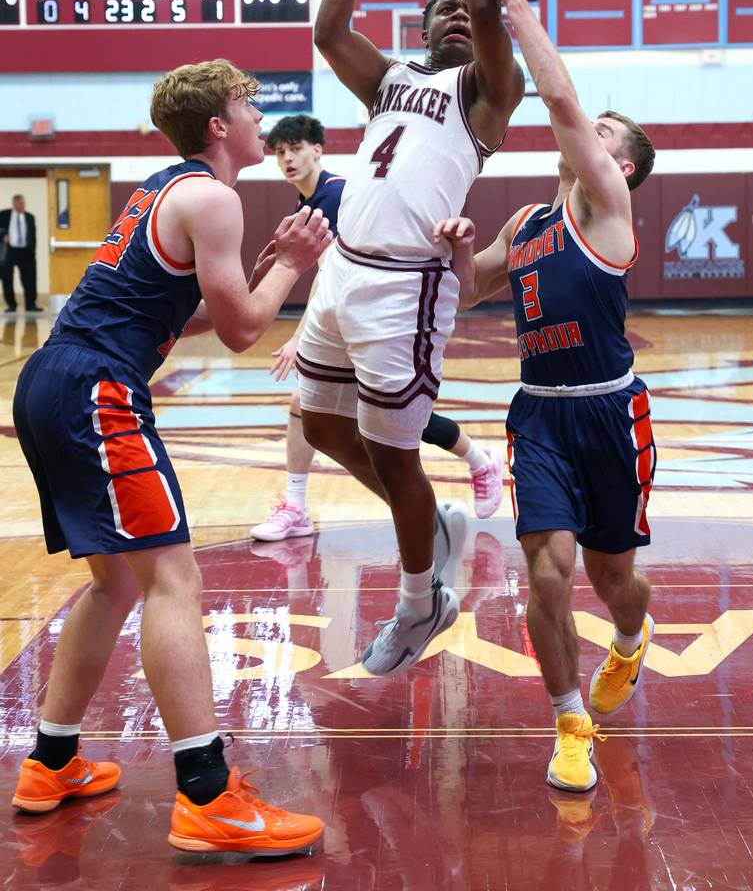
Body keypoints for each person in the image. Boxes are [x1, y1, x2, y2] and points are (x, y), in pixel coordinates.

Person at [10, 59, 329, 856]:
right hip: (94, 389)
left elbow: (170, 311)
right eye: (250, 104)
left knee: (118, 580)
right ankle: (207, 794)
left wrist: (257, 278)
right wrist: (292, 261)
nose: (261, 117)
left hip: (52, 379)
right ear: (220, 125)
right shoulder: (215, 198)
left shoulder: (161, 189)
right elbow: (244, 332)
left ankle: (50, 763)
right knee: (172, 579)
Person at [297, 0, 524, 677]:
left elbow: (486, 5)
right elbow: (327, 29)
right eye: (443, 9)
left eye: (465, 8)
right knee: (319, 423)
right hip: (340, 273)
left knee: (395, 452)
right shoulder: (391, 79)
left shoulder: (490, 96)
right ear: (421, 26)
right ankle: (428, 526)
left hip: (404, 286)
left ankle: (419, 598)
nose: (458, 13)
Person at [434, 0, 656, 793]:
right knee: (549, 571)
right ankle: (569, 720)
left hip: (610, 408)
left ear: (623, 164)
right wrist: (456, 249)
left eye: (604, 133)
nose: (582, 131)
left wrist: (518, 11)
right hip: (541, 412)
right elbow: (473, 290)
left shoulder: (609, 205)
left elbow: (562, 103)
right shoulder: (527, 222)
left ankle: (633, 640)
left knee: (613, 579)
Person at [250, 112, 504, 543]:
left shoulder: (333, 195)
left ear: (317, 150)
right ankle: (476, 463)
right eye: (279, 152)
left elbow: (334, 274)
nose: (287, 158)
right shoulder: (308, 201)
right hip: (352, 313)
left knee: (367, 413)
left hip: (386, 309)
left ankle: (304, 506)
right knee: (356, 415)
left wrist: (298, 336)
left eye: (295, 149)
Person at [1, 194, 42, 313]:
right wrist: (3, 235)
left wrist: (33, 251)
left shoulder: (29, 217)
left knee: (30, 278)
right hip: (9, 252)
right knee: (7, 278)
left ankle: (30, 304)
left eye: (24, 203)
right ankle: (11, 305)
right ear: (14, 204)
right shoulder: (4, 215)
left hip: (26, 252)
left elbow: (33, 236)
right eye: (20, 203)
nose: (22, 205)